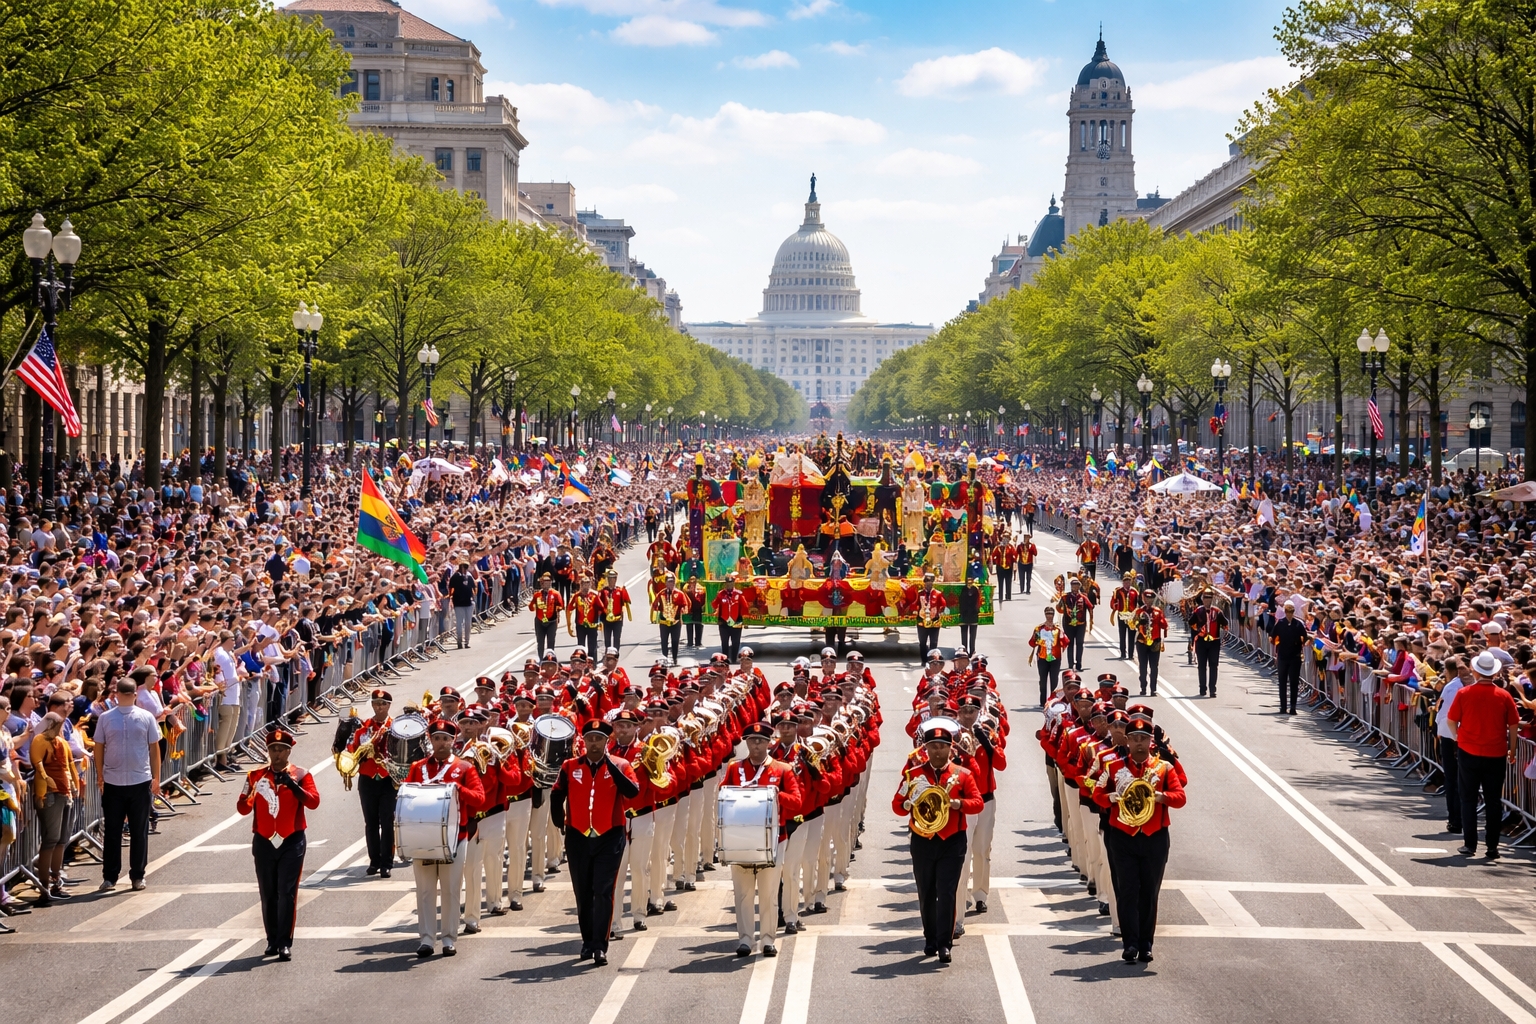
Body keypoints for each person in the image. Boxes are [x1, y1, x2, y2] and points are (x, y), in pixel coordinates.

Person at [1093, 713, 1186, 964]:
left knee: (1149, 892)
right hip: (1123, 837)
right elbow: (1097, 794)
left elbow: (1180, 797)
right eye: (1134, 738)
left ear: (1149, 741)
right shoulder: (1114, 767)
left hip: (1154, 837)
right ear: (1127, 740)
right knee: (1127, 891)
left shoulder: (1163, 768)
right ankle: (1130, 943)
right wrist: (1109, 799)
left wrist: (1162, 797)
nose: (1139, 744)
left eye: (1143, 738)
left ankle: (1146, 943)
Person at [550, 719, 640, 966]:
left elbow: (632, 792)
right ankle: (587, 941)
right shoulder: (570, 766)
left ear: (606, 741)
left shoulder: (621, 765)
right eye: (590, 738)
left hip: (609, 835)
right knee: (583, 892)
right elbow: (557, 793)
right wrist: (560, 823)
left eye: (599, 738)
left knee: (603, 890)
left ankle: (600, 945)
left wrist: (611, 765)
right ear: (584, 741)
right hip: (578, 836)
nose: (594, 743)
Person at [894, 720, 984, 963]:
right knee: (926, 891)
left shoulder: (962, 775)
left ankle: (945, 943)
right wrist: (908, 802)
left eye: (942, 746)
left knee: (946, 892)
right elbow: (897, 805)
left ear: (950, 748)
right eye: (933, 746)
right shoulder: (913, 775)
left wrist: (958, 804)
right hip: (923, 840)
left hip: (951, 840)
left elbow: (978, 802)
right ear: (926, 748)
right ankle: (930, 939)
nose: (937, 751)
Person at [236, 726, 320, 961]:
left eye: (282, 750)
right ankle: (272, 939)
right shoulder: (255, 776)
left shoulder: (302, 775)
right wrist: (251, 793)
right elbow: (242, 808)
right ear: (268, 751)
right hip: (263, 841)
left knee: (287, 892)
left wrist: (293, 786)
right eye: (273, 749)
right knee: (268, 893)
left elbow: (314, 802)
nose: (277, 754)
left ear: (289, 752)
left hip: (291, 841)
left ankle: (284, 942)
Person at [721, 721, 803, 958]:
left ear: (769, 742)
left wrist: (779, 795)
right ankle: (745, 939)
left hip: (773, 839)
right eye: (752, 740)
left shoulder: (783, 769)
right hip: (740, 839)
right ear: (746, 742)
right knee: (743, 893)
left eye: (761, 740)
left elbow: (797, 802)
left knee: (768, 892)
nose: (756, 744)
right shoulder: (734, 769)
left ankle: (768, 939)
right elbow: (723, 798)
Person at [405, 719, 485, 958]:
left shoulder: (465, 768)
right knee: (426, 891)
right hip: (423, 838)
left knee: (451, 890)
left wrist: (459, 789)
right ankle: (427, 939)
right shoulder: (418, 767)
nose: (441, 743)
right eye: (437, 738)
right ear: (431, 740)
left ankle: (449, 938)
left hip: (454, 837)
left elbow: (479, 798)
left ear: (453, 740)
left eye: (445, 738)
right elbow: (406, 799)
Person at [1447, 651, 1520, 860]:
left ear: (1475, 670)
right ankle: (1492, 847)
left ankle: (1470, 844)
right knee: (1493, 801)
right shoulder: (1504, 695)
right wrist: (1512, 750)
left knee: (1468, 798)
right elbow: (1513, 725)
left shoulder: (1464, 693)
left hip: (1468, 751)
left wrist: (1457, 738)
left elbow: (1451, 720)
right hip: (1496, 753)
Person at [95, 678, 162, 893]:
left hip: (139, 780)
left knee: (138, 830)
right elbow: (99, 746)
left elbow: (154, 748)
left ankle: (137, 875)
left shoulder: (145, 717)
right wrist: (100, 775)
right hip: (114, 781)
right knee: (113, 830)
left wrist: (156, 777)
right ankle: (110, 875)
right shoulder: (106, 718)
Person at [347, 689, 399, 877]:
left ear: (388, 706)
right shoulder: (364, 728)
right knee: (370, 823)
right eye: (376, 703)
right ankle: (374, 861)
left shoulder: (396, 727)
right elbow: (352, 749)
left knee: (387, 822)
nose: (379, 707)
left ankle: (386, 862)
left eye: (382, 703)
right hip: (368, 778)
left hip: (387, 779)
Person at [30, 712, 80, 905]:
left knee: (61, 840)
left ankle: (56, 881)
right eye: (58, 724)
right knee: (51, 840)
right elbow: (37, 763)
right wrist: (45, 777)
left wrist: (75, 785)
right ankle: (44, 886)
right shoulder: (40, 740)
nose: (60, 727)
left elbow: (69, 766)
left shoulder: (62, 742)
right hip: (49, 794)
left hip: (65, 792)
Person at [1268, 601, 1309, 714]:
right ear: (1285, 612)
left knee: (1294, 682)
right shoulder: (1280, 623)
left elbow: (1304, 636)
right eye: (1287, 612)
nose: (1289, 614)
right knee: (1282, 682)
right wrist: (1273, 642)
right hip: (1283, 656)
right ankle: (1283, 706)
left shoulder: (1298, 624)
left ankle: (1293, 707)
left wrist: (1302, 644)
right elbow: (1272, 635)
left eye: (1291, 612)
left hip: (1295, 656)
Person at [1187, 589, 1229, 698]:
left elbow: (1225, 623)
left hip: (1214, 641)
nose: (1207, 600)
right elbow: (1190, 622)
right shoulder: (1198, 611)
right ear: (1202, 599)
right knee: (1202, 665)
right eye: (1205, 598)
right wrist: (1198, 630)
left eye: (1209, 598)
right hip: (1201, 641)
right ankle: (1202, 688)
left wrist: (1223, 629)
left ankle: (1212, 689)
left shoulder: (1217, 611)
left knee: (1213, 665)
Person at [1027, 606, 1069, 706]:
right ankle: (1043, 702)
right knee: (1043, 680)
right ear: (1045, 615)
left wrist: (1062, 637)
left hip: (1055, 658)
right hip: (1042, 658)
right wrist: (1036, 639)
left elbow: (1066, 641)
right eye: (1047, 614)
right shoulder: (1039, 628)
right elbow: (1032, 643)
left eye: (1051, 614)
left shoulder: (1058, 629)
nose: (1049, 616)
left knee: (1054, 680)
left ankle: (1053, 701)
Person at [1131, 591, 1168, 697]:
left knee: (1154, 666)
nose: (1148, 601)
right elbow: (1132, 624)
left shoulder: (1158, 611)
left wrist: (1161, 621)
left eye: (1151, 599)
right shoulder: (1139, 611)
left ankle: (1153, 688)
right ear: (1143, 599)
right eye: (1146, 599)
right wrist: (1139, 623)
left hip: (1155, 641)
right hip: (1142, 641)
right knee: (1142, 666)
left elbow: (1164, 625)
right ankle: (1143, 687)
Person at [1057, 577, 1093, 671]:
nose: (1075, 587)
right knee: (1070, 643)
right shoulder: (1065, 597)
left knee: (1080, 643)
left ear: (1079, 586)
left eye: (1077, 585)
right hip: (1068, 624)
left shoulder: (1083, 597)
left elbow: (1090, 606)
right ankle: (1070, 663)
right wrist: (1065, 613)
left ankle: (1079, 664)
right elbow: (1058, 607)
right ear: (1071, 587)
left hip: (1080, 624)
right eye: (1073, 585)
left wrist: (1091, 620)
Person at [713, 572, 748, 661]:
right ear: (725, 584)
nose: (729, 585)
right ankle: (725, 659)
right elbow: (714, 604)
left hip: (736, 621)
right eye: (728, 583)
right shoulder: (721, 594)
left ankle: (734, 658)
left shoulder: (739, 594)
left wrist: (743, 619)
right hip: (723, 621)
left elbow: (745, 607)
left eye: (731, 583)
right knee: (724, 642)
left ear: (733, 583)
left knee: (735, 642)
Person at [448, 559, 477, 648]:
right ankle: (459, 642)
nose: (464, 569)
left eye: (466, 567)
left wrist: (473, 596)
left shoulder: (469, 576)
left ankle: (467, 642)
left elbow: (474, 587)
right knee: (459, 623)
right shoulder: (455, 576)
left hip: (468, 603)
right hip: (458, 603)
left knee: (468, 623)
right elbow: (450, 588)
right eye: (463, 567)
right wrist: (451, 597)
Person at [916, 573, 946, 657]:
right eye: (926, 583)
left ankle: (932, 660)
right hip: (922, 620)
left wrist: (940, 610)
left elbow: (943, 604)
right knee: (922, 642)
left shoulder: (938, 593)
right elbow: (915, 604)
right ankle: (924, 660)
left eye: (930, 583)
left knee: (933, 642)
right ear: (924, 583)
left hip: (934, 621)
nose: (928, 585)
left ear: (932, 583)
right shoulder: (920, 593)